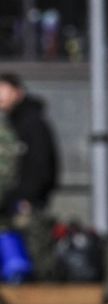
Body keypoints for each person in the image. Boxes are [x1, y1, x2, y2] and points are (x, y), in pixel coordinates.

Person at [0, 72, 58, 217]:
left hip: (24, 204)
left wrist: (28, 197)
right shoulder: (13, 123)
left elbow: (40, 163)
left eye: (3, 90)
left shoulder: (31, 123)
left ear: (18, 92)